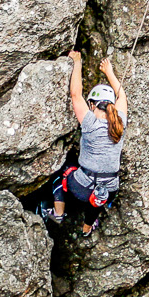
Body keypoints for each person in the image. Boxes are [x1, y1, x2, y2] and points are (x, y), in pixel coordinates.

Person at [37, 49, 127, 236]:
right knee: (101, 191)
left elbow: (75, 94)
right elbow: (122, 97)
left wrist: (77, 62)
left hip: (82, 189)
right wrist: (109, 71)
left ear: (92, 105)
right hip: (109, 190)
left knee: (61, 169)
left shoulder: (90, 123)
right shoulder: (120, 124)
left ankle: (58, 213)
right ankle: (87, 228)